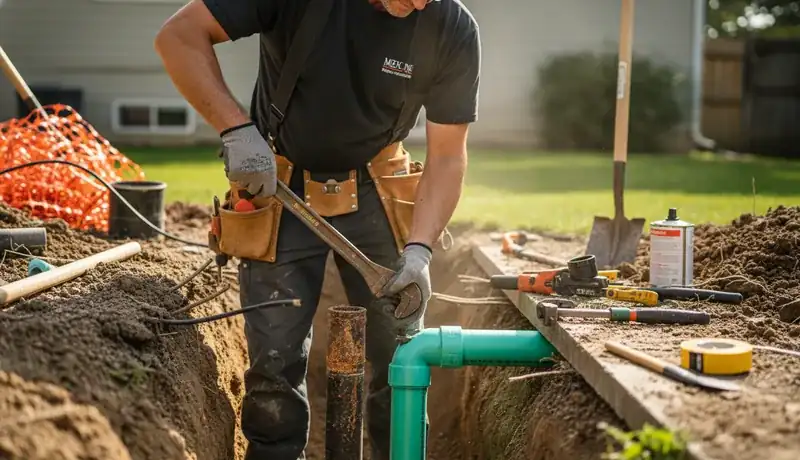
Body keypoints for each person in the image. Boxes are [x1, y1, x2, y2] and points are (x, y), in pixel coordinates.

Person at [154, 0, 480, 458]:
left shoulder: (450, 23)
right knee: (275, 363)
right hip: (281, 183)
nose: (423, 2)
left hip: (379, 188)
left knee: (401, 356)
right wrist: (236, 130)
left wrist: (420, 250)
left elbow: (447, 155)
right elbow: (178, 36)